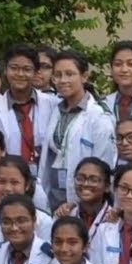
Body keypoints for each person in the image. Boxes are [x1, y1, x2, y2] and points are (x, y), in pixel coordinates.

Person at [40, 50, 116, 205]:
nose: (63, 80)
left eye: (69, 74)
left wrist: (82, 201)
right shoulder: (56, 109)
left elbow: (104, 164)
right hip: (54, 194)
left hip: (85, 196)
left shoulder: (99, 116)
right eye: (58, 75)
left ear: (84, 77)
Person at [0, 45, 57, 174]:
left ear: (36, 72)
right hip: (8, 177)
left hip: (45, 177)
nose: (20, 74)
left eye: (27, 69)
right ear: (5, 70)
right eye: (14, 68)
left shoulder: (53, 104)